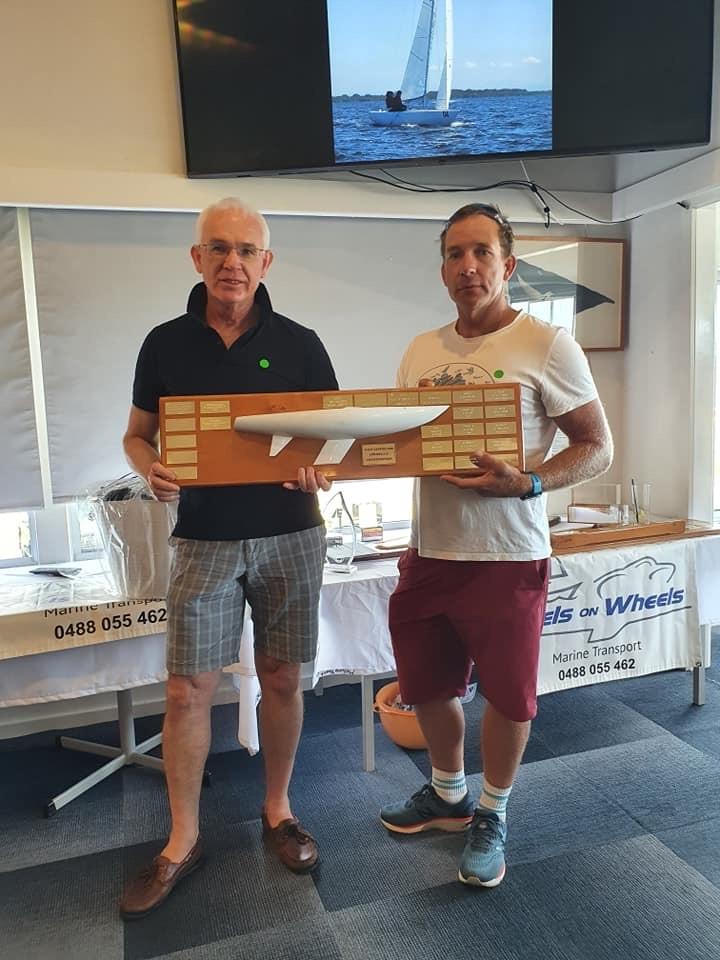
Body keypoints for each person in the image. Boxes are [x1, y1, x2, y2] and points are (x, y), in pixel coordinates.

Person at [379, 203, 613, 887]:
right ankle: (449, 793)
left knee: (510, 696)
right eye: (455, 254)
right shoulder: (420, 350)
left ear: (508, 265)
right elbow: (404, 442)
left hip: (508, 558)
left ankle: (493, 810)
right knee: (426, 685)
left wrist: (530, 481)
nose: (468, 266)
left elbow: (597, 447)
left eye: (481, 252)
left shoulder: (546, 344)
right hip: (431, 554)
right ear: (443, 269)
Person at [119, 197, 338, 919]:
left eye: (246, 250)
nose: (232, 262)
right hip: (203, 539)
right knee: (187, 690)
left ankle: (279, 810)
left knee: (281, 678)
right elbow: (137, 436)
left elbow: (331, 443)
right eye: (218, 248)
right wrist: (148, 468)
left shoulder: (302, 342)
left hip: (292, 535)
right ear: (197, 259)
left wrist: (320, 471)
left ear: (265, 262)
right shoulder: (163, 343)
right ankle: (183, 838)